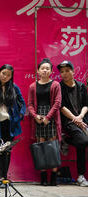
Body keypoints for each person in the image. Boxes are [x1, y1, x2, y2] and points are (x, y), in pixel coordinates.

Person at [27, 58, 62, 186]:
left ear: (51, 71)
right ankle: (43, 178)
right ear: (38, 70)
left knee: (53, 146)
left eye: (47, 68)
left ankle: (53, 177)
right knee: (41, 146)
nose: (45, 70)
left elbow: (57, 103)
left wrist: (48, 117)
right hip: (38, 117)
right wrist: (36, 116)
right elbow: (30, 104)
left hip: (51, 117)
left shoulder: (56, 85)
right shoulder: (32, 86)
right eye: (43, 68)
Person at [0, 65, 26, 187]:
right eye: (3, 73)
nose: (4, 76)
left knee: (7, 152)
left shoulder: (14, 88)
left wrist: (19, 115)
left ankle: (5, 178)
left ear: (11, 77)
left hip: (10, 124)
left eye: (8, 75)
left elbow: (22, 103)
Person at [58, 60, 88, 187]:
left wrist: (80, 117)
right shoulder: (60, 87)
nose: (64, 74)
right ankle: (81, 175)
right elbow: (62, 106)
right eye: (62, 72)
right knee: (83, 142)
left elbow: (86, 105)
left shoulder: (81, 86)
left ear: (73, 71)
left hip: (83, 119)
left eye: (67, 71)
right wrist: (75, 119)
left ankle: (81, 175)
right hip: (68, 121)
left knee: (82, 144)